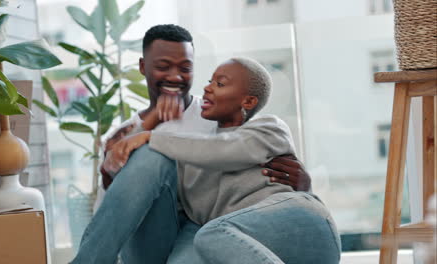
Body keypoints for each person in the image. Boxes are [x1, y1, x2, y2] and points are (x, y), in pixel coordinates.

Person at [71, 24, 313, 264]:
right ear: (143, 67)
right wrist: (113, 165)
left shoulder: (217, 114)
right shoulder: (127, 134)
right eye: (163, 67)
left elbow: (242, 154)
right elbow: (109, 220)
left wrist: (303, 186)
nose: (175, 76)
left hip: (206, 234)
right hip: (152, 243)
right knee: (150, 155)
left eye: (185, 68)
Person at [110, 57, 341, 263]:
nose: (207, 88)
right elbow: (163, 193)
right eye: (210, 81)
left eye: (219, 84)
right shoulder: (191, 164)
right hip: (243, 240)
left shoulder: (267, 128)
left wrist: (151, 137)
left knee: (212, 233)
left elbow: (221, 151)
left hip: (302, 225)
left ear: (248, 102)